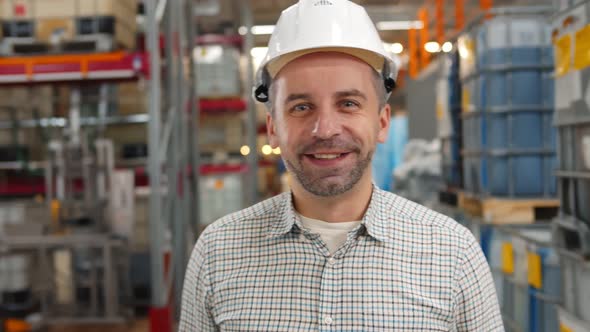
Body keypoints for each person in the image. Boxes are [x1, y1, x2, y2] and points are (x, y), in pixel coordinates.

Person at [179, 0, 503, 330]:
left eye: (348, 104)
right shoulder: (217, 253)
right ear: (273, 128)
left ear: (382, 121)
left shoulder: (452, 253)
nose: (326, 129)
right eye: (302, 107)